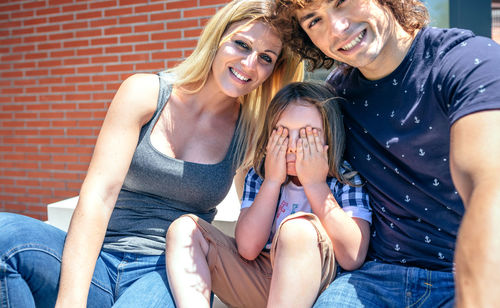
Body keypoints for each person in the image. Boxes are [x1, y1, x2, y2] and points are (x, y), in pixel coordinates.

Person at [0, 0, 304, 307]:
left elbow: (254, 213)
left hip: (170, 272)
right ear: (217, 39)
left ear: (273, 71)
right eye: (241, 44)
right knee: (4, 236)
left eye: (265, 57)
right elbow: (98, 196)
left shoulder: (251, 132)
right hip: (102, 259)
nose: (249, 64)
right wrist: (71, 301)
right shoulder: (145, 93)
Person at [273, 0, 500, 307]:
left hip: (465, 273)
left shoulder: (468, 62)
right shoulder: (335, 97)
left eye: (343, 2)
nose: (337, 29)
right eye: (314, 21)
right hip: (375, 277)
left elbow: (489, 190)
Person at [165, 81, 372, 308]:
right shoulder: (261, 175)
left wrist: (315, 184)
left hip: (314, 285)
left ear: (329, 137)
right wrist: (272, 182)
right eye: (282, 133)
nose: (292, 146)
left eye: (307, 134)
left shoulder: (343, 178)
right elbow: (247, 248)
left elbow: (353, 256)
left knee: (297, 229)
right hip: (259, 278)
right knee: (184, 229)